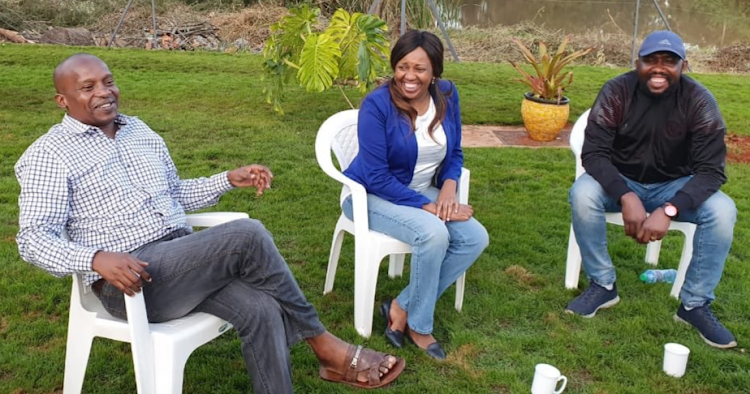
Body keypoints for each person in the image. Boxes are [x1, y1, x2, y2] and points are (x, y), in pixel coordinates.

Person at [15, 53, 405, 392]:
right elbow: (32, 239)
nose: (104, 92)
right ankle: (325, 346)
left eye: (108, 81)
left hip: (181, 259)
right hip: (131, 281)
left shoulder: (140, 132)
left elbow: (173, 193)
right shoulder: (49, 155)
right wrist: (96, 258)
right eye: (87, 87)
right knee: (247, 234)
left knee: (262, 308)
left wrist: (227, 179)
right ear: (62, 101)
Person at [566, 30, 737, 349]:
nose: (659, 68)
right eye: (651, 60)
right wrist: (625, 194)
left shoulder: (699, 101)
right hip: (621, 179)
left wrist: (669, 208)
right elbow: (594, 153)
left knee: (723, 210)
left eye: (669, 61)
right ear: (638, 63)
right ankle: (603, 284)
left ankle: (694, 305)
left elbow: (711, 171)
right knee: (583, 194)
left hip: (674, 185)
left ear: (683, 66)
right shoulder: (617, 90)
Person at [343, 30, 489, 360]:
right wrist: (431, 207)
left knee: (475, 238)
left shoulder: (447, 96)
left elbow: (455, 153)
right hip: (370, 196)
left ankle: (401, 305)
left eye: (420, 69)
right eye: (403, 66)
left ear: (434, 72)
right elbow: (377, 176)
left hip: (425, 191)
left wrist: (448, 191)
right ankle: (420, 327)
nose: (410, 76)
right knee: (434, 232)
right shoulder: (377, 104)